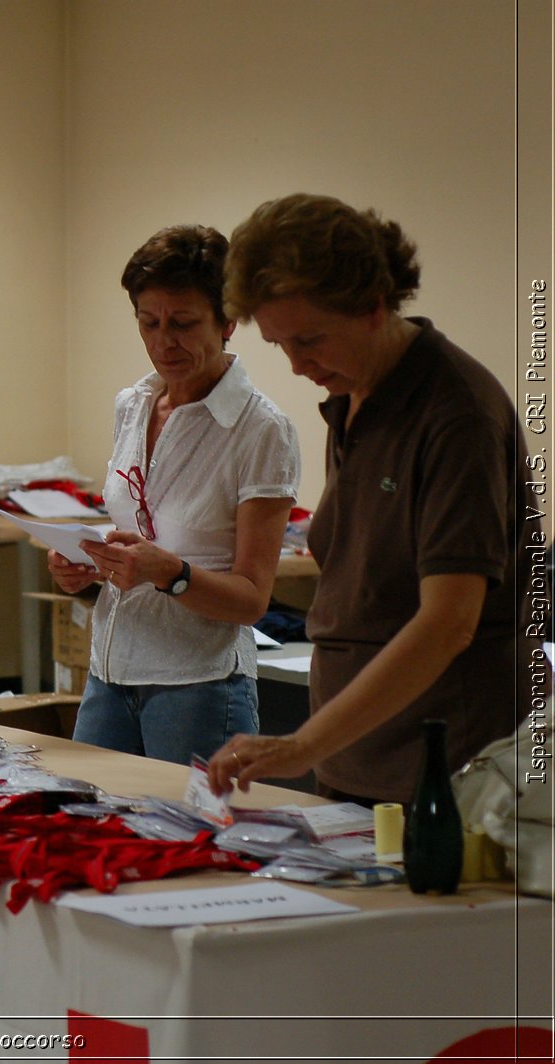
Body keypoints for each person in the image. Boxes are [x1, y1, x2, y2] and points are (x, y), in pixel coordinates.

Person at [208, 194, 536, 805]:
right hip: (354, 756)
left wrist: (301, 745)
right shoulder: (354, 395)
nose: (298, 363)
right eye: (280, 344)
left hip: (443, 767)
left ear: (372, 307)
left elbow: (447, 624)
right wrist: (318, 749)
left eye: (310, 339)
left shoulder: (455, 412)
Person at [48, 225, 300, 764]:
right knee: (89, 834)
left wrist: (170, 573)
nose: (165, 341)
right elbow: (133, 535)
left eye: (184, 324)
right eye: (149, 322)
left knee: (192, 845)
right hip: (109, 671)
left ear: (228, 321)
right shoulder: (132, 404)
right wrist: (85, 566)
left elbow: (253, 600)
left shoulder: (260, 430)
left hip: (199, 685)